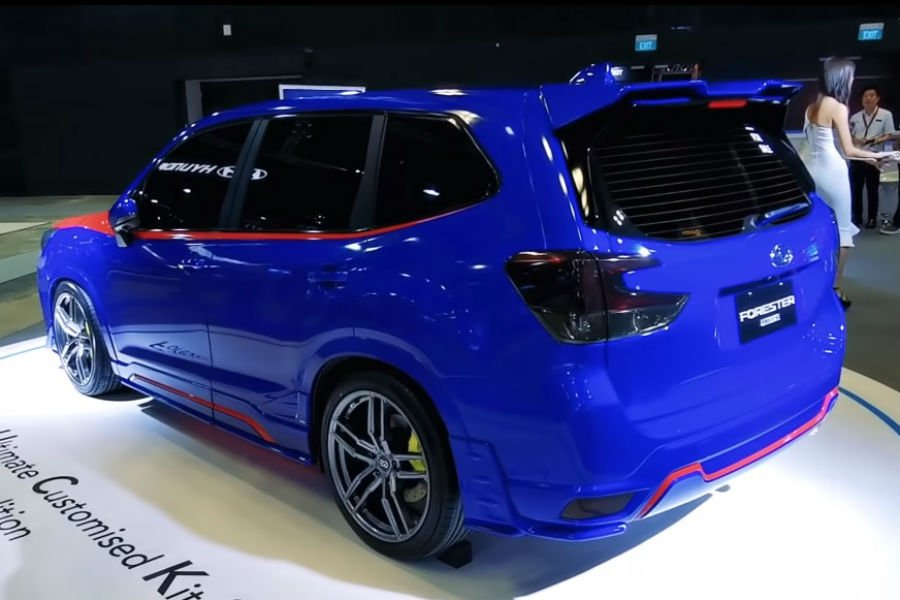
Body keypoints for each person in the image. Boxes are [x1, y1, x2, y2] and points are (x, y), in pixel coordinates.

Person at [803, 58, 895, 309]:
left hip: (812, 172)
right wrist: (881, 156)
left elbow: (821, 144)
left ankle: (814, 280)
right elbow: (849, 149)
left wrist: (871, 159)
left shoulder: (812, 107)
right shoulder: (838, 107)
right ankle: (834, 288)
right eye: (851, 77)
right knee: (844, 231)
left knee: (818, 228)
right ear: (841, 78)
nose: (853, 81)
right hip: (833, 173)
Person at [849, 86, 896, 229]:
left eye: (871, 95)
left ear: (877, 98)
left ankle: (871, 219)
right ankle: (856, 218)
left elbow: (890, 134)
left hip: (875, 157)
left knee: (872, 190)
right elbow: (849, 137)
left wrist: (874, 140)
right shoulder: (855, 117)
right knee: (856, 190)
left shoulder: (886, 115)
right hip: (857, 157)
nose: (868, 98)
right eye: (865, 96)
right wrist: (857, 141)